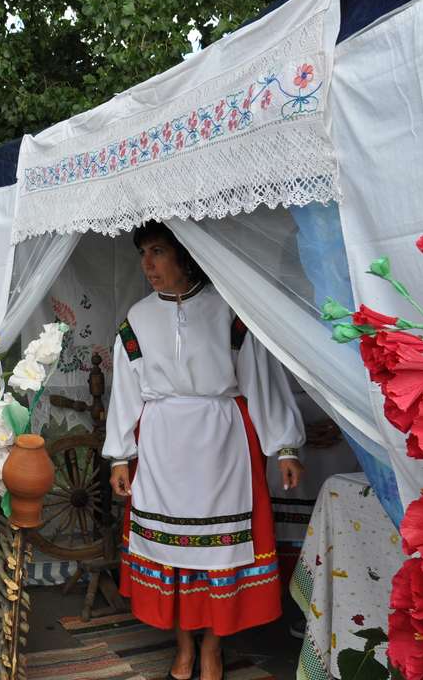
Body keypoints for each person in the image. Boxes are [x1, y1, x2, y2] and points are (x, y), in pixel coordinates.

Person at [103, 222, 305, 680]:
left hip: (220, 442)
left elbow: (261, 380)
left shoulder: (228, 311)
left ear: (185, 256)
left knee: (219, 551)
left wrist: (285, 446)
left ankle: (213, 646)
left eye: (157, 252)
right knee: (169, 548)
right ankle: (183, 647)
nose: (148, 264)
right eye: (143, 254)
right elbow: (125, 392)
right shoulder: (136, 319)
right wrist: (119, 455)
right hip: (161, 444)